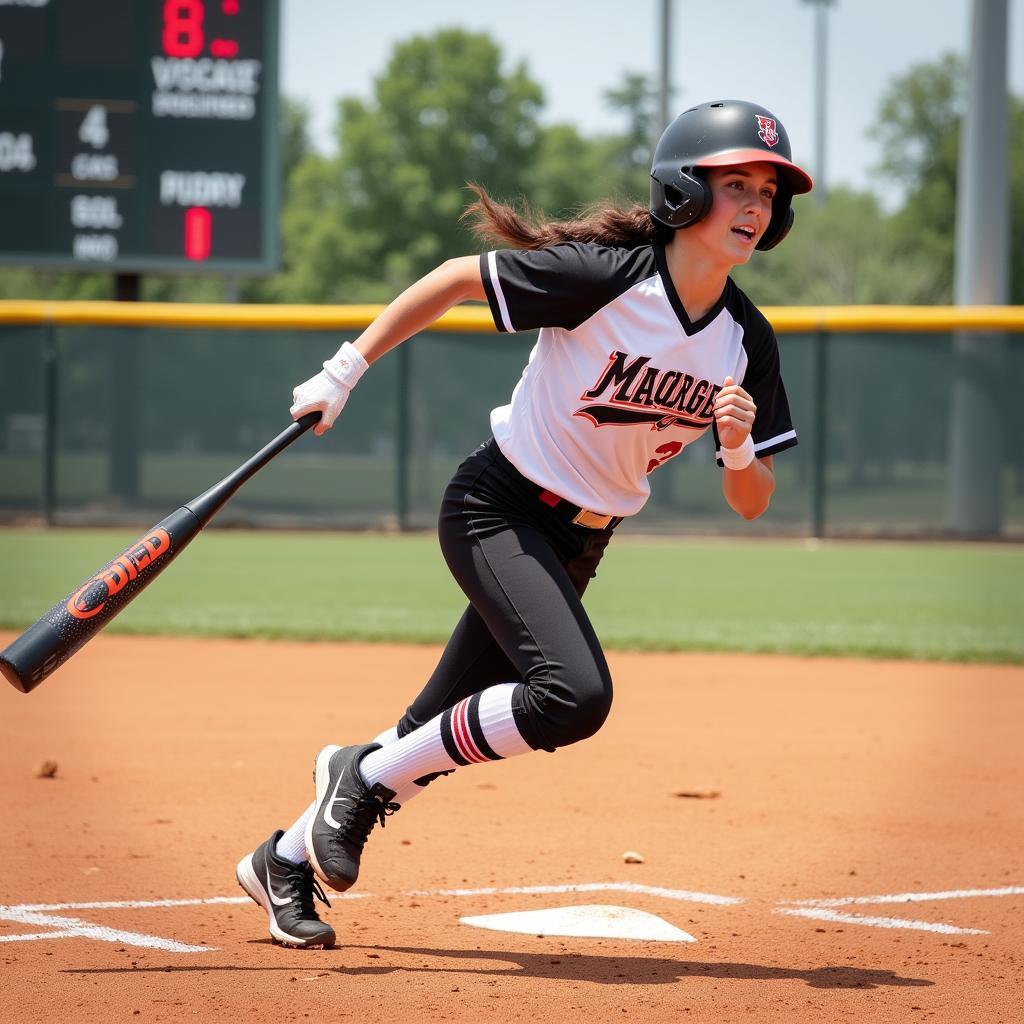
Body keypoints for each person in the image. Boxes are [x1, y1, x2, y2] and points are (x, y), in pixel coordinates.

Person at [234, 99, 813, 948]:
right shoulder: (607, 275)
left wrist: (733, 448)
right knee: (573, 698)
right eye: (736, 185)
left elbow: (754, 498)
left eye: (769, 190)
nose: (756, 205)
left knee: (422, 739)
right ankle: (352, 774)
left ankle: (281, 860)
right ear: (684, 192)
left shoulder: (744, 340)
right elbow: (455, 279)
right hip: (498, 509)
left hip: (582, 541)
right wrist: (342, 373)